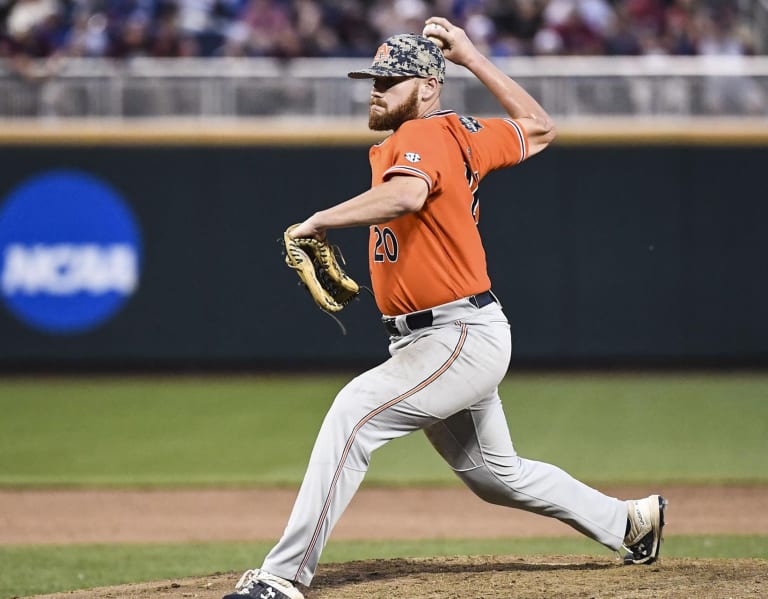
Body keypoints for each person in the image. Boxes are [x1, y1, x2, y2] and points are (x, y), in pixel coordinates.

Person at [222, 16, 667, 599]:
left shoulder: (421, 136)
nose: (377, 88)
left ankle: (281, 579)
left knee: (352, 416)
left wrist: (318, 220)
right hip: (450, 334)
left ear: (428, 86)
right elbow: (539, 127)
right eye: (374, 78)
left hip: (455, 334)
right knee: (494, 475)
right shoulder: (461, 135)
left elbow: (408, 194)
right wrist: (475, 58)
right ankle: (632, 522)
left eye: (392, 79)